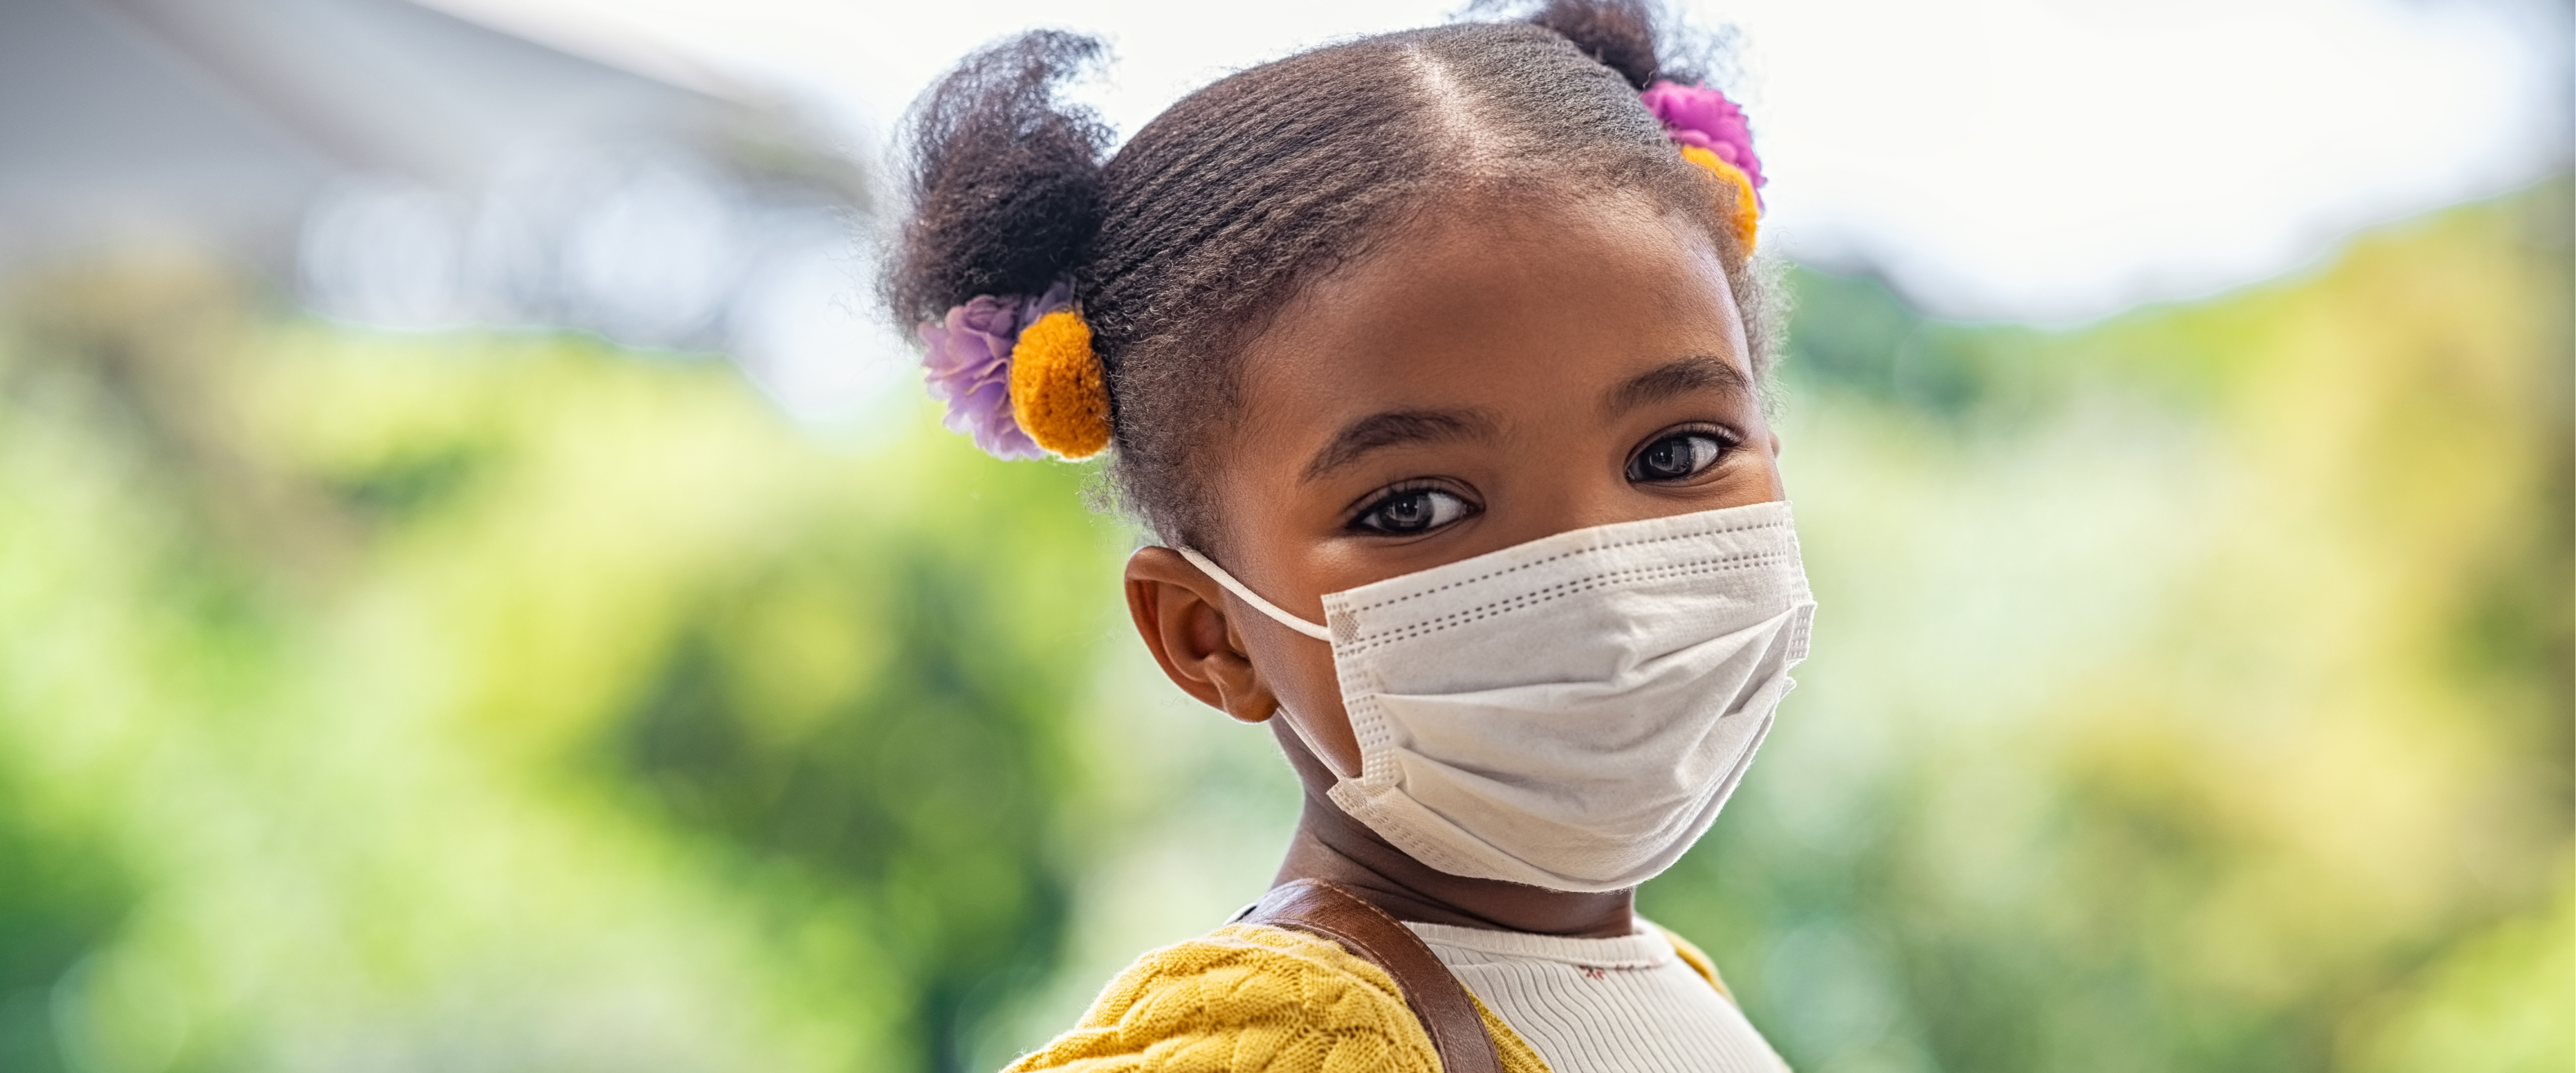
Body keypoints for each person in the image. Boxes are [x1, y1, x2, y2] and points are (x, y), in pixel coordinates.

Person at [887, 2, 1813, 1069]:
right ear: (1210, 633)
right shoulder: (1292, 1039)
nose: (1600, 581)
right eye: (1414, 507)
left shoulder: (1669, 982)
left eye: (1678, 454)